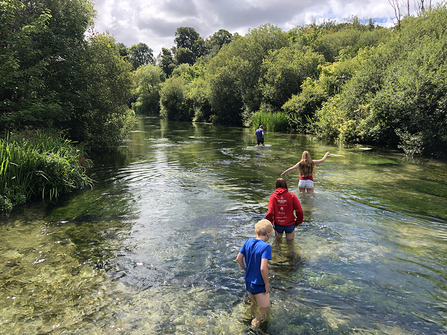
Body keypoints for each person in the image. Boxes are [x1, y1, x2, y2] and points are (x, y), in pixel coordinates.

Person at [236, 219, 273, 329]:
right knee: (265, 310)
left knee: (254, 304)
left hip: (248, 282)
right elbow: (263, 268)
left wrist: (247, 271)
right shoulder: (266, 247)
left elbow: (238, 259)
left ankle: (247, 319)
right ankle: (254, 326)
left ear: (256, 232)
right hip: (259, 285)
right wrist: (267, 284)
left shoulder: (248, 241)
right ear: (269, 234)